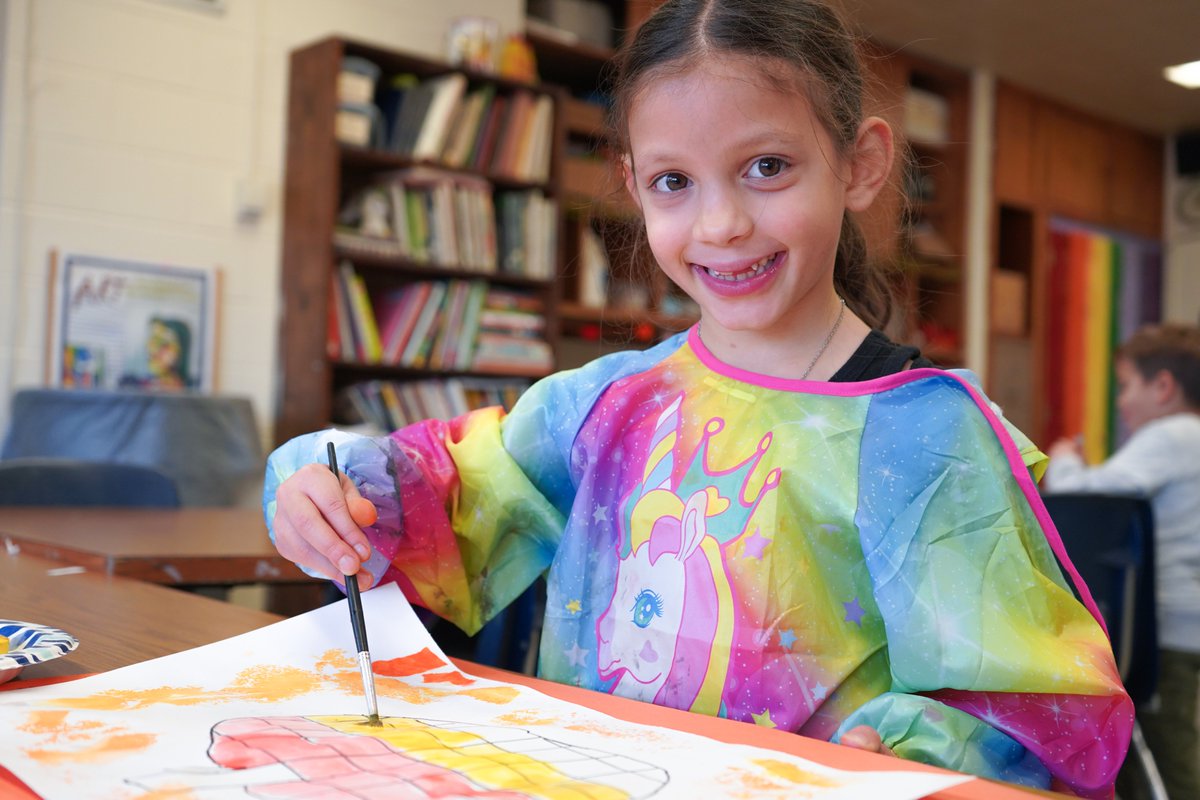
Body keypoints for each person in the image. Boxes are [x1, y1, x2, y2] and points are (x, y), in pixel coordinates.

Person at [264, 1, 1131, 795]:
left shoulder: (925, 433)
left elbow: (1025, 707)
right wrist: (321, 492)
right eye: (675, 182)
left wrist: (900, 758)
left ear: (860, 164)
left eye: (766, 167)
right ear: (636, 184)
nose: (720, 226)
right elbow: (428, 498)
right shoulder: (600, 401)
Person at [1044, 323, 1200, 800]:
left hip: (1165, 631)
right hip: (1184, 627)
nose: (1120, 401)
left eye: (1126, 385)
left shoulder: (1172, 435)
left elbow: (1085, 492)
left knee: (1165, 748)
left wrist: (1065, 459)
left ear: (1164, 386)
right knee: (1150, 743)